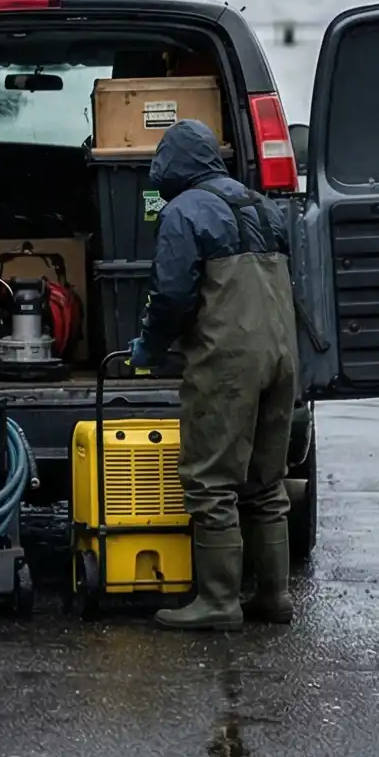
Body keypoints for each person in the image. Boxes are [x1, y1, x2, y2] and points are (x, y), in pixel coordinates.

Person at [128, 119, 296, 632]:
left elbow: (173, 295)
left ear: (172, 164)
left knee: (210, 481)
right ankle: (274, 596)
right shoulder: (263, 206)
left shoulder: (184, 212)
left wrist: (149, 348)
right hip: (282, 354)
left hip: (229, 359)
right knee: (267, 482)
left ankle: (219, 601)